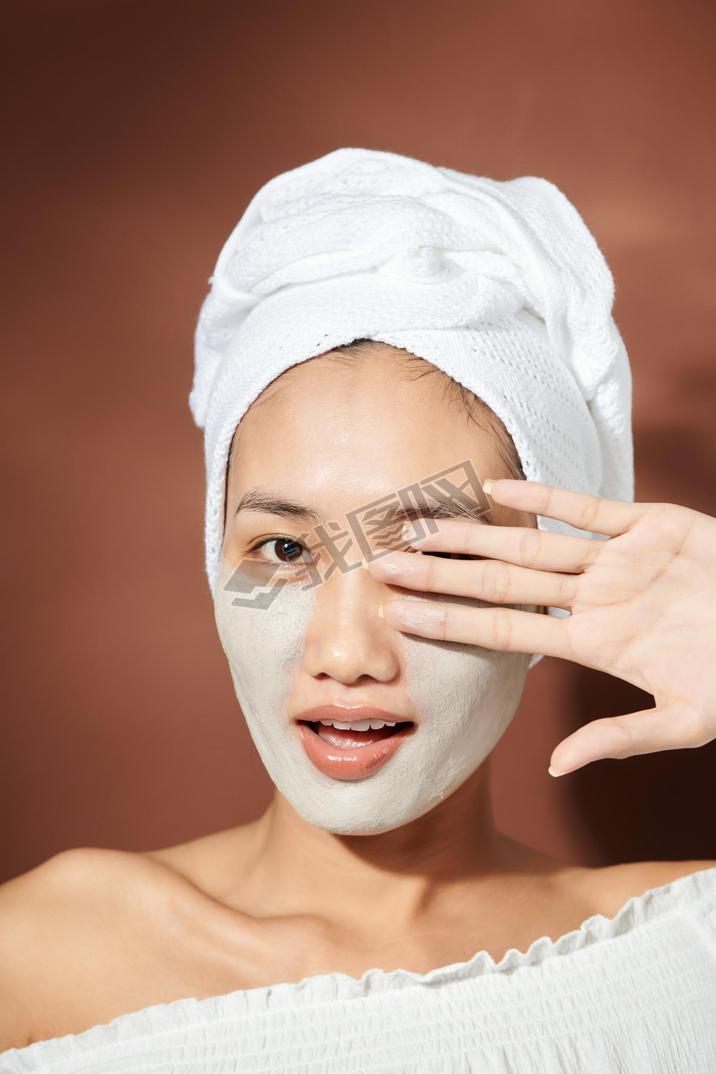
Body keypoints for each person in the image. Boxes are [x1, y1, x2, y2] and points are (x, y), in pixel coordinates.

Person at [1, 149, 714, 1071]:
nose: (344, 653)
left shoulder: (681, 955)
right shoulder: (37, 960)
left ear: (552, 578)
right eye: (285, 551)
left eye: (432, 555)